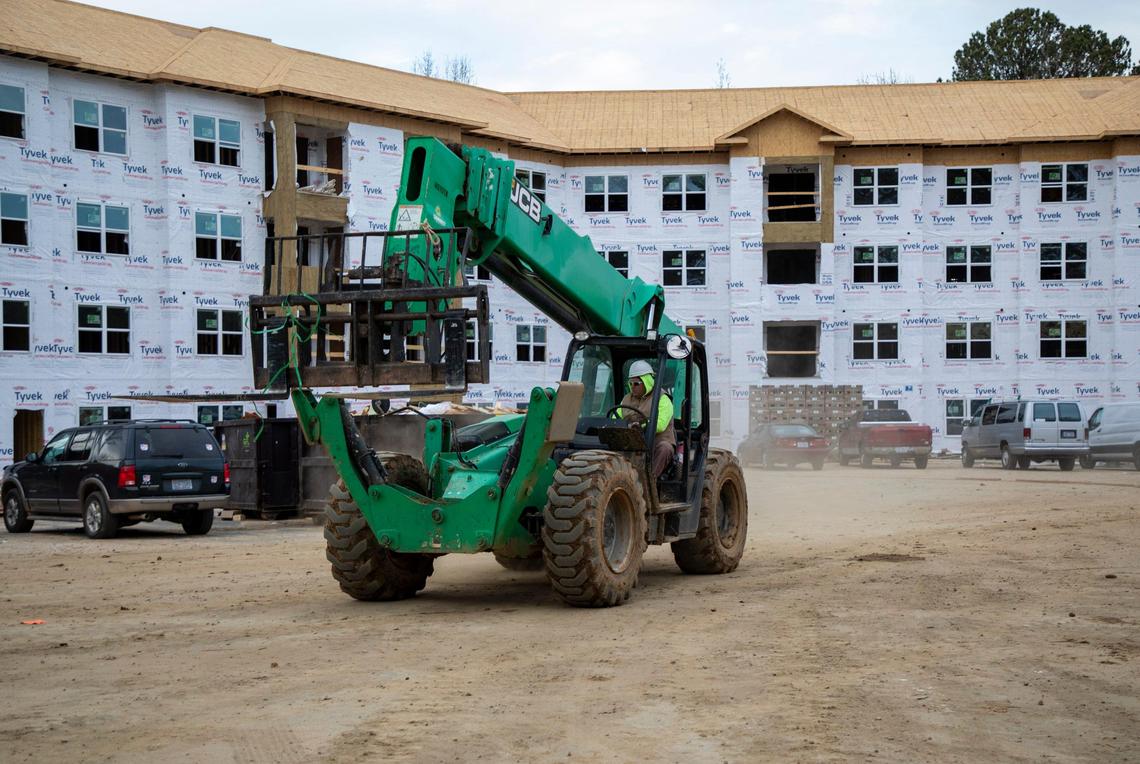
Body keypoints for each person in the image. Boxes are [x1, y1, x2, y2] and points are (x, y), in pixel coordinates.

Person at [617, 360, 676, 478]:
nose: (632, 387)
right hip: (631, 442)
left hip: (655, 442)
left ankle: (648, 481)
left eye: (636, 383)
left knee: (665, 448)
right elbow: (616, 417)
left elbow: (660, 424)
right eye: (630, 383)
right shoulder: (626, 399)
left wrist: (640, 426)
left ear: (647, 381)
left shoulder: (663, 399)